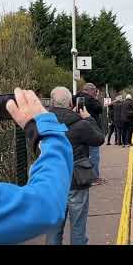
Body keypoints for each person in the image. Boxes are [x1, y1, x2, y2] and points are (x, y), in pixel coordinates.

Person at [0, 88, 73, 244]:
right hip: (66, 182)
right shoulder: (79, 120)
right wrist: (48, 132)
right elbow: (45, 205)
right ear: (70, 102)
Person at [45, 87, 104, 245]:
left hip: (52, 183)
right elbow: (99, 139)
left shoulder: (43, 123)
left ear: (51, 102)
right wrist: (89, 118)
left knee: (53, 228)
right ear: (71, 102)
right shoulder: (80, 124)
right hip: (76, 181)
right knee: (78, 226)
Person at [73, 83, 104, 185]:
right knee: (94, 155)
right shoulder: (90, 100)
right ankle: (94, 178)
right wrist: (96, 98)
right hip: (90, 130)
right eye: (95, 91)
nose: (95, 93)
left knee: (82, 155)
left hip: (77, 130)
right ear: (90, 90)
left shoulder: (75, 98)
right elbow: (100, 108)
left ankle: (83, 177)